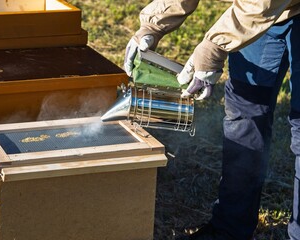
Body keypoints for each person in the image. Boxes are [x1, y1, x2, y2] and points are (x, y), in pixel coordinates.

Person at [124, 0, 300, 239]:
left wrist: (214, 47)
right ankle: (230, 229)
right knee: (245, 112)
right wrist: (153, 24)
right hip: (257, 13)